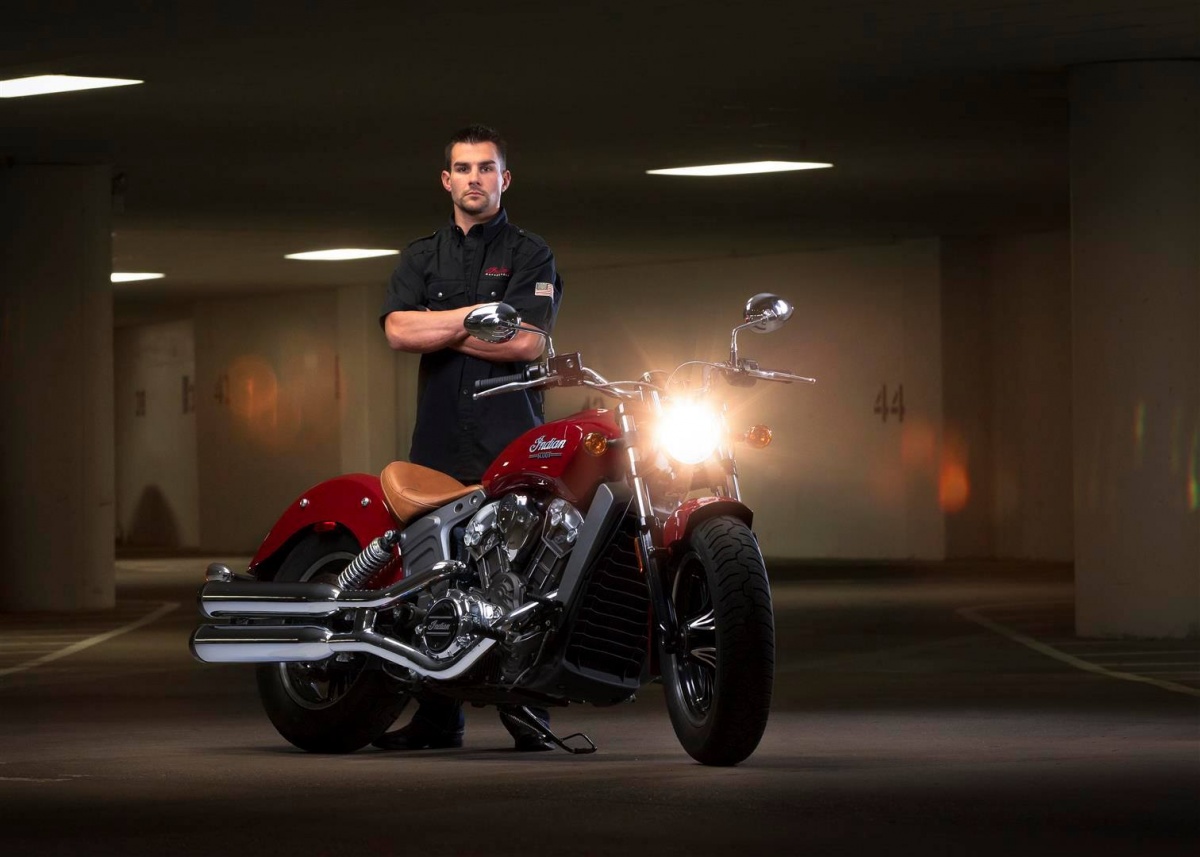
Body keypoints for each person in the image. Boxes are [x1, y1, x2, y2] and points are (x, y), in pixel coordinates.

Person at [375, 124, 562, 752]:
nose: (475, 178)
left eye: (487, 168)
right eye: (464, 168)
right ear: (447, 180)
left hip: (510, 438)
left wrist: (438, 326)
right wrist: (472, 319)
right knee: (436, 575)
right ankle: (437, 718)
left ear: (504, 179)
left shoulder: (531, 253)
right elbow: (399, 331)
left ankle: (526, 713)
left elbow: (526, 340)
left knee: (521, 574)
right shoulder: (420, 256)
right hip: (436, 442)